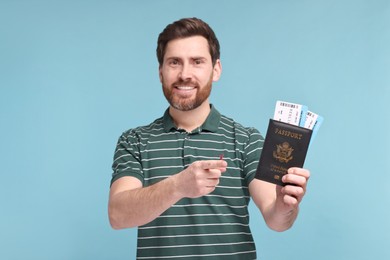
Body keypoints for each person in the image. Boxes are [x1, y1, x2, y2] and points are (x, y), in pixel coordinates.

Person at [108, 17, 310, 259]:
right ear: (160, 72)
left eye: (197, 62)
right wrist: (177, 186)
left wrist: (285, 205)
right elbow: (118, 215)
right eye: (174, 62)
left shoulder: (246, 139)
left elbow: (276, 219)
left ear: (216, 70)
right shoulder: (134, 141)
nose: (185, 74)